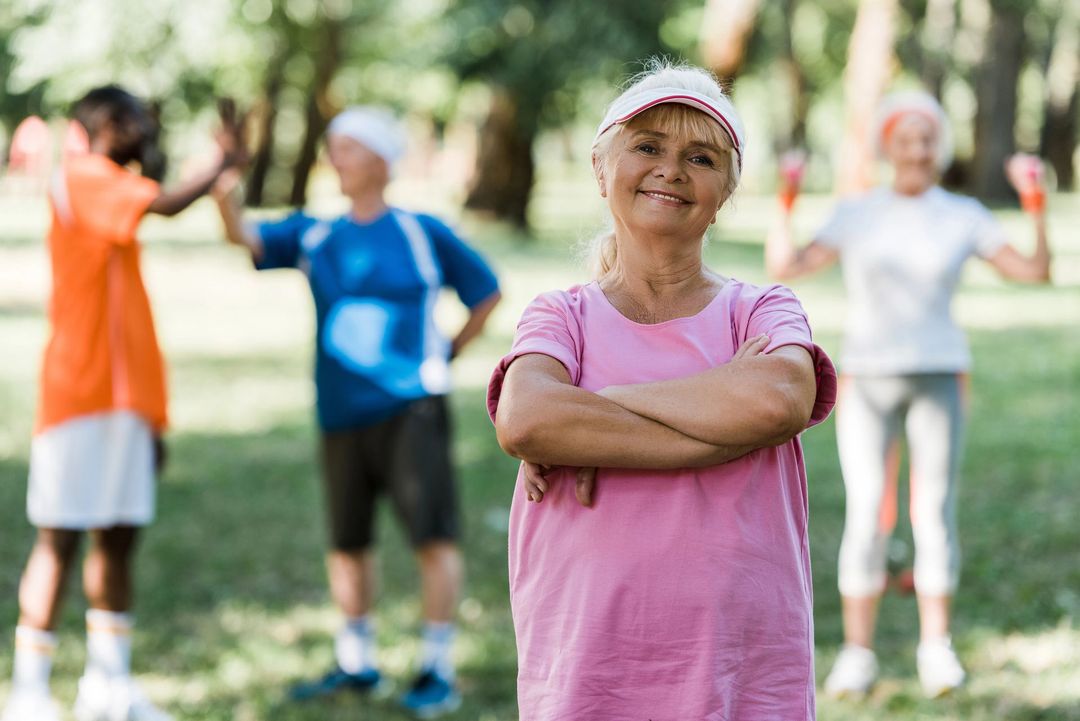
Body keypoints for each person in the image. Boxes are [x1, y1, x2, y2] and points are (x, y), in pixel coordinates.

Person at [487, 61, 837, 720]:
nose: (671, 169)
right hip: (592, 666)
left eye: (700, 157)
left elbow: (776, 402)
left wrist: (597, 411)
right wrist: (715, 416)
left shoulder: (761, 309)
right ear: (599, 167)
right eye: (647, 146)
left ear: (727, 189)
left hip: (738, 664)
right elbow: (528, 417)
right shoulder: (560, 316)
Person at [212, 105, 500, 717]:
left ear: (379, 159)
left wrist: (447, 352)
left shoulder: (422, 231)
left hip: (410, 408)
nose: (333, 157)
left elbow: (486, 291)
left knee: (432, 535)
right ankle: (358, 661)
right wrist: (223, 187)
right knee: (348, 541)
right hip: (340, 412)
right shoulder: (317, 233)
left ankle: (435, 668)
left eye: (344, 146)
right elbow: (245, 235)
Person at [765, 90, 1053, 698]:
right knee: (868, 512)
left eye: (927, 138)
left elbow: (1033, 272)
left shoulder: (963, 214)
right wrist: (785, 199)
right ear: (887, 145)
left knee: (933, 511)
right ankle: (858, 653)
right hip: (867, 377)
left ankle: (936, 649)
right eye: (905, 137)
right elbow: (787, 264)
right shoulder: (857, 212)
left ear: (938, 146)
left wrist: (1036, 206)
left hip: (939, 373)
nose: (917, 149)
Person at [1, 85, 245, 721]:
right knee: (59, 539)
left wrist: (153, 418)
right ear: (103, 123)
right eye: (135, 118)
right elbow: (163, 204)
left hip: (127, 399)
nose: (144, 130)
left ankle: (107, 689)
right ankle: (30, 692)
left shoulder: (106, 185)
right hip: (78, 395)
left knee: (118, 539)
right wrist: (219, 164)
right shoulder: (81, 175)